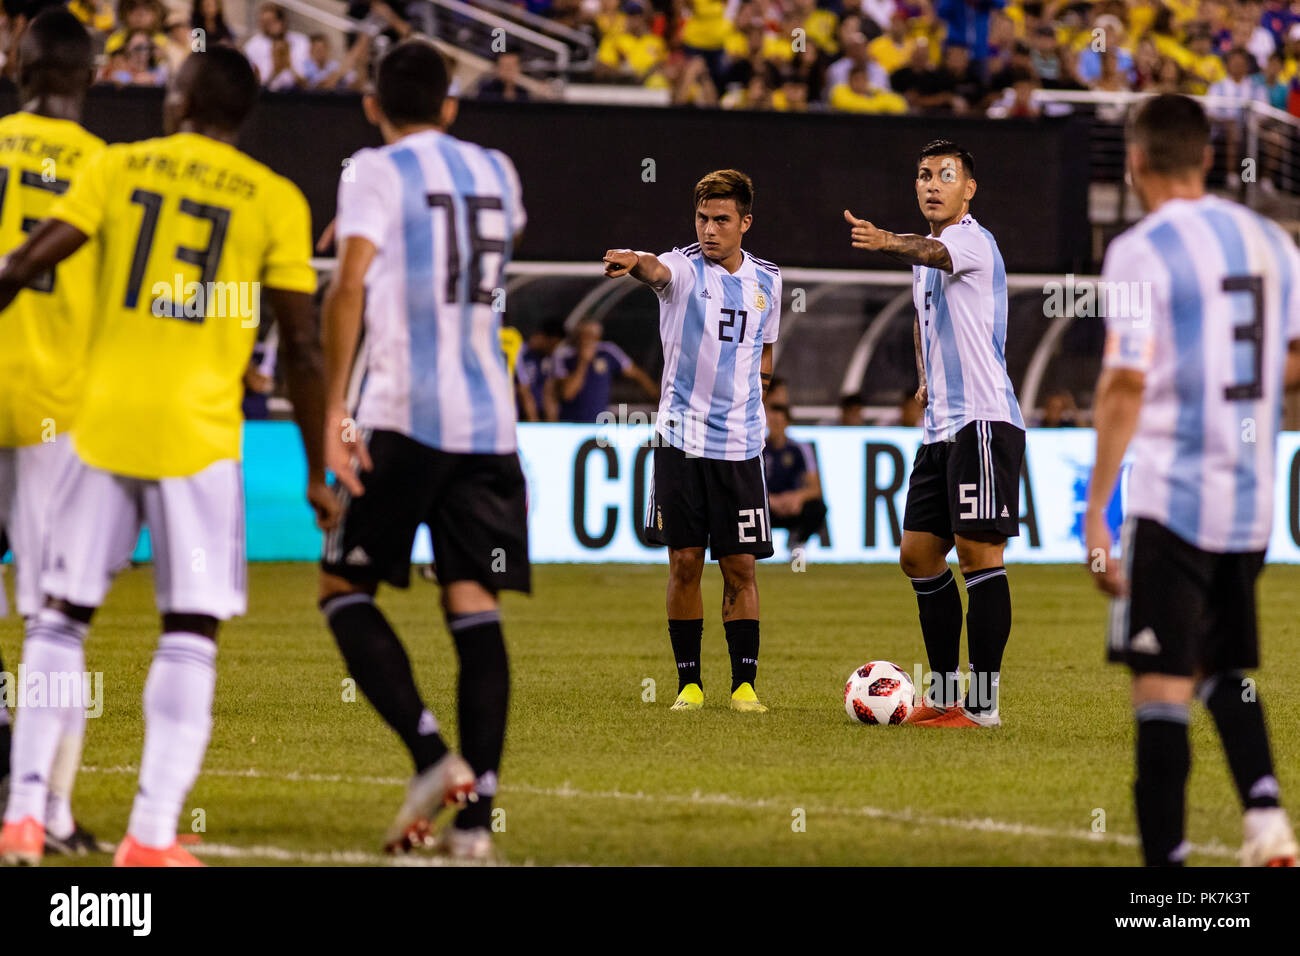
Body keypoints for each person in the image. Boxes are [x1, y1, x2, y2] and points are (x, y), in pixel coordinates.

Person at [0, 45, 333, 867]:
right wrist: (319, 470)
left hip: (98, 420)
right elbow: (303, 346)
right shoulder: (275, 199)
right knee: (189, 629)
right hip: (198, 437)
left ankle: (21, 818)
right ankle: (150, 836)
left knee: (60, 618)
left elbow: (22, 265)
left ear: (180, 101)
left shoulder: (117, 167)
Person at [319, 40, 529, 862]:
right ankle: (475, 827)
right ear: (449, 104)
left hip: (404, 412)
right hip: (491, 422)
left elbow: (347, 288)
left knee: (345, 584)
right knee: (473, 603)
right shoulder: (499, 169)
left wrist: (336, 406)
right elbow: (468, 244)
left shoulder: (371, 169)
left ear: (373, 106)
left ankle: (430, 757)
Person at [1085, 93, 1299, 867]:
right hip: (1250, 504)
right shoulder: (1272, 241)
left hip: (1172, 497)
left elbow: (1124, 384)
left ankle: (1168, 890)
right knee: (1221, 666)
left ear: (1136, 161)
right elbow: (1294, 358)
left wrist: (1097, 510)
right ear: (1208, 157)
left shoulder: (1140, 248)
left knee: (1160, 683)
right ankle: (1268, 819)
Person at [845, 139, 1025, 728]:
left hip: (982, 419)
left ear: (968, 189)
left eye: (946, 176)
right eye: (923, 174)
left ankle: (984, 705)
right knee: (919, 556)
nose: (932, 184)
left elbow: (932, 252)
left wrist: (887, 241)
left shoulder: (968, 238)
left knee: (978, 553)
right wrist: (925, 381)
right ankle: (946, 697)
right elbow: (931, 327)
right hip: (941, 426)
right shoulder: (927, 266)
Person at [603, 168, 781, 714]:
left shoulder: (769, 281)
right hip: (680, 441)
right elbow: (656, 271)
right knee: (684, 561)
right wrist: (636, 261)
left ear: (745, 223)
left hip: (740, 448)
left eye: (721, 220)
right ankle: (689, 684)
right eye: (703, 218)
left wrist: (756, 396)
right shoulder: (681, 268)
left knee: (741, 567)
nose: (709, 229)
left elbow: (766, 352)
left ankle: (744, 686)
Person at [0, 6, 107, 861]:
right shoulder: (110, 171)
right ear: (93, 76)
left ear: (18, 68)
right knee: (53, 619)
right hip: (58, 411)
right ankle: (50, 812)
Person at [546, 318, 659, 422]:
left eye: (592, 336)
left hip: (599, 422)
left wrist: (656, 397)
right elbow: (567, 393)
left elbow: (637, 374)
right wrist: (583, 362)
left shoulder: (608, 351)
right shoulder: (564, 355)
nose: (588, 340)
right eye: (584, 335)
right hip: (570, 423)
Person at [763, 399, 827, 553]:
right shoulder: (759, 449)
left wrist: (797, 497)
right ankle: (750, 550)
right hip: (766, 505)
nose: (776, 427)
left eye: (779, 422)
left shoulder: (799, 449)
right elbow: (748, 485)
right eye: (772, 422)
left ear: (787, 423)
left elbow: (815, 489)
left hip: (791, 504)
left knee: (818, 508)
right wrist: (770, 500)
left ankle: (798, 542)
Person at [243, 2, 309, 87]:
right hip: (266, 93)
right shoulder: (252, 45)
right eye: (262, 22)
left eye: (269, 22)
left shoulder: (301, 41)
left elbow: (309, 77)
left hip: (298, 92)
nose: (266, 26)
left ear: (282, 22)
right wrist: (274, 72)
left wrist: (289, 66)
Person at [515, 317, 564, 422]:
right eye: (552, 344)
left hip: (541, 416)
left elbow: (550, 393)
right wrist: (534, 423)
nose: (553, 348)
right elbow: (523, 391)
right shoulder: (521, 353)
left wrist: (552, 425)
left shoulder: (550, 358)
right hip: (521, 416)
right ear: (541, 337)